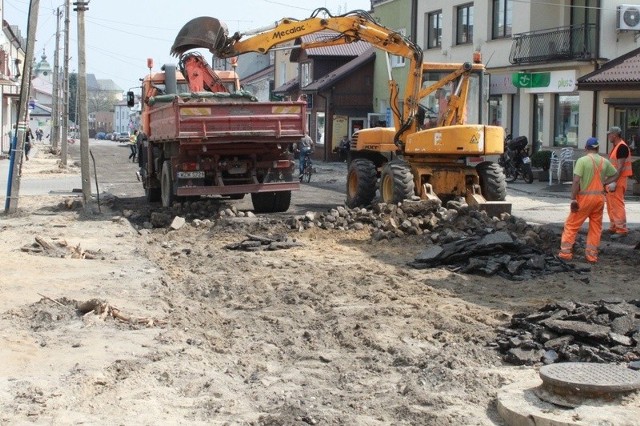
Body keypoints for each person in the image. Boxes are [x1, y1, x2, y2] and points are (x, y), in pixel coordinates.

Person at [558, 137, 618, 263]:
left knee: (571, 225)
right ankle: (591, 256)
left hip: (585, 199)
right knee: (596, 227)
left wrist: (573, 199)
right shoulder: (604, 161)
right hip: (599, 199)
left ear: (586, 148)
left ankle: (565, 253)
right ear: (597, 148)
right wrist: (604, 182)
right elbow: (615, 174)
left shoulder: (582, 161)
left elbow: (576, 181)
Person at [605, 126, 632, 238]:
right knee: (611, 205)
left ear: (615, 135)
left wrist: (614, 181)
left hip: (618, 181)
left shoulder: (621, 147)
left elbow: (620, 167)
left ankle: (621, 229)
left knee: (617, 205)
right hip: (613, 180)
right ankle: (614, 227)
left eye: (610, 134)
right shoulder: (617, 146)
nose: (608, 136)